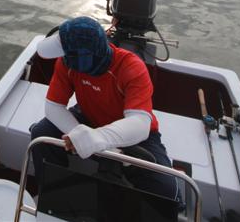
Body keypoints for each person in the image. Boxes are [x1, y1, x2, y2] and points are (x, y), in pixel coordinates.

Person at [29, 16, 180, 216]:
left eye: (67, 53)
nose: (63, 58)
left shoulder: (131, 67)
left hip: (133, 132)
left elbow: (140, 123)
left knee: (165, 187)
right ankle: (55, 196)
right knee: (41, 134)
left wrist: (99, 139)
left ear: (85, 55)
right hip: (88, 116)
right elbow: (54, 107)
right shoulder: (67, 63)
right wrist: (79, 134)